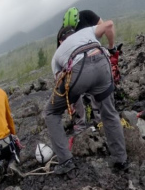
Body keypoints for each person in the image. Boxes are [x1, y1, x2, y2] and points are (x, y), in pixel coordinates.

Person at [43, 22, 128, 174]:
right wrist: (111, 46)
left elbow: (60, 85)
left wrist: (73, 100)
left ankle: (66, 161)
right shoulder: (87, 31)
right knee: (109, 113)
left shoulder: (57, 54)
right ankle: (121, 159)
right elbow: (109, 25)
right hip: (102, 61)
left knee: (51, 112)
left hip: (78, 70)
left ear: (60, 41)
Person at [0, 88, 21, 177]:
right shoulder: (1, 93)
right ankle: (12, 163)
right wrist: (14, 135)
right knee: (16, 148)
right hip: (5, 145)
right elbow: (9, 118)